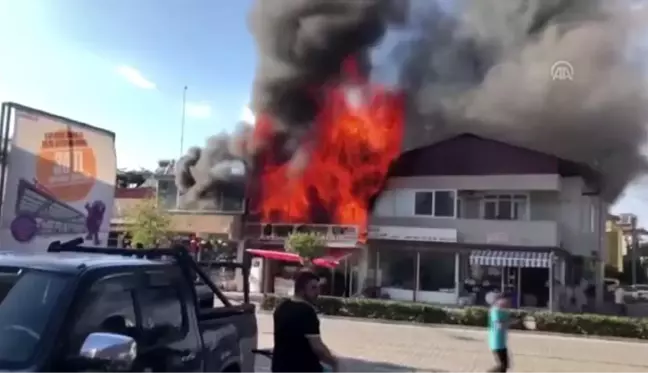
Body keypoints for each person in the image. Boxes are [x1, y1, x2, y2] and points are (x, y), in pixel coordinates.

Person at [272, 270, 338, 373]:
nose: (318, 292)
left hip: (279, 367)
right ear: (301, 290)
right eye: (313, 288)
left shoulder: (281, 307)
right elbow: (318, 348)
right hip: (304, 368)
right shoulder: (307, 312)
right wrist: (334, 362)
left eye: (318, 288)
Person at [488, 294, 510, 373]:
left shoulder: (502, 311)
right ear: (498, 301)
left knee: (505, 365)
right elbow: (498, 325)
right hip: (496, 342)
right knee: (502, 365)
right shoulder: (495, 311)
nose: (507, 302)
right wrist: (508, 322)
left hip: (502, 342)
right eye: (504, 300)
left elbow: (505, 322)